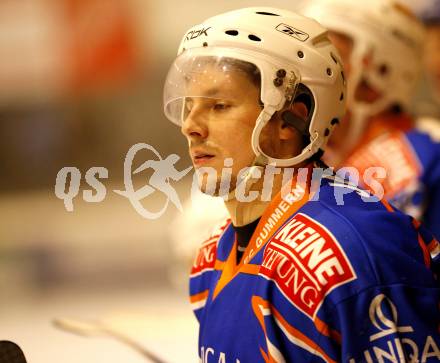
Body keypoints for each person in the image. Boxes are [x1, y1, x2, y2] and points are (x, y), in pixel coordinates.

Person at [163, 7, 440, 362]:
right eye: (188, 105)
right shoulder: (211, 258)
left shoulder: (349, 253)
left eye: (219, 105)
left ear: (290, 118)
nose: (191, 126)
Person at [301, 0, 440, 239]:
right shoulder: (306, 160)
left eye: (328, 57)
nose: (304, 71)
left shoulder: (426, 156)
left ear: (380, 74)